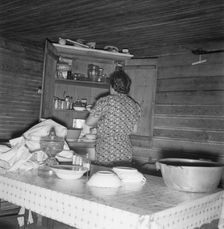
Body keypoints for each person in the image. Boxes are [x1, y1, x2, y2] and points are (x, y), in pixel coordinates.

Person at [80, 69, 141, 166]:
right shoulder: (135, 105)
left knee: (106, 176)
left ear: (112, 86)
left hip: (107, 148)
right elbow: (134, 130)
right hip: (125, 149)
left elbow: (89, 122)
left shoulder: (106, 101)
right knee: (121, 177)